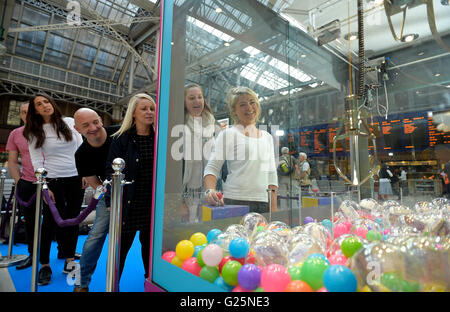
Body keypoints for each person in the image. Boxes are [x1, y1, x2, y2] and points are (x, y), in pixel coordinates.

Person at [23, 93, 84, 286]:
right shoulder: (33, 130)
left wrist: (85, 174)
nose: (44, 105)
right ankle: (45, 265)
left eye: (46, 101)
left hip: (75, 179)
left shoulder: (69, 121)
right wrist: (45, 186)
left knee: (74, 219)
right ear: (36, 111)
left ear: (52, 103)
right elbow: (35, 161)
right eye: (39, 104)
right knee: (49, 223)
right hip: (53, 181)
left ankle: (69, 260)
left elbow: (81, 148)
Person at [104, 93, 156, 284]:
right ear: (133, 113)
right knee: (121, 249)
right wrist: (111, 200)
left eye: (152, 109)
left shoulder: (159, 139)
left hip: (152, 203)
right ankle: (113, 284)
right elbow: (111, 171)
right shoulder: (120, 139)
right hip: (127, 203)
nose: (149, 112)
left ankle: (150, 283)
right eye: (144, 109)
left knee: (150, 250)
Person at [203, 86, 278, 213]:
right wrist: (210, 191)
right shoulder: (228, 134)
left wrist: (274, 209)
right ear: (234, 110)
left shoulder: (268, 137)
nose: (249, 108)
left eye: (252, 102)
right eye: (242, 104)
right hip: (235, 201)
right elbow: (212, 168)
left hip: (263, 203)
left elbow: (271, 175)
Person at [72, 108, 119, 292]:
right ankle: (81, 283)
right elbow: (96, 184)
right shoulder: (81, 155)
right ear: (77, 129)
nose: (93, 127)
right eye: (86, 125)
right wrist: (110, 200)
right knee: (96, 235)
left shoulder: (120, 133)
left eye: (95, 122)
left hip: (138, 190)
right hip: (108, 192)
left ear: (100, 119)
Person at [5, 102, 37, 270]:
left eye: (30, 111)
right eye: (23, 112)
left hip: (50, 183)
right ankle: (32, 254)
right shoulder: (15, 134)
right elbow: (12, 161)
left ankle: (63, 253)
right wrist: (19, 182)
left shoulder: (48, 131)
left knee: (55, 219)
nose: (27, 114)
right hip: (27, 183)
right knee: (30, 222)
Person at [181, 83, 218, 223]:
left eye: (199, 97)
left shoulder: (212, 124)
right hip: (186, 191)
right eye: (191, 98)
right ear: (184, 102)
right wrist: (180, 201)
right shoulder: (180, 125)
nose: (197, 101)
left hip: (209, 188)